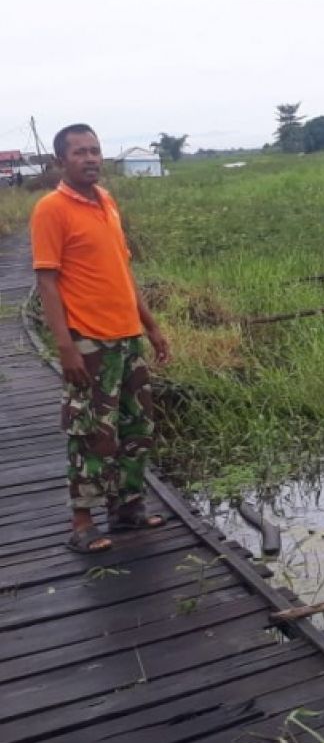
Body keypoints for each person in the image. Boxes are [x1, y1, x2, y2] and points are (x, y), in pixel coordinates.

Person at [30, 124, 172, 553]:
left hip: (127, 337)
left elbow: (122, 271)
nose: (91, 158)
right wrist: (65, 346)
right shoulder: (51, 209)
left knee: (136, 425)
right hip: (88, 340)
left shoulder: (106, 202)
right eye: (79, 152)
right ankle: (81, 523)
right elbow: (47, 282)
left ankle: (127, 508)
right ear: (60, 161)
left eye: (95, 150)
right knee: (91, 430)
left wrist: (150, 325)